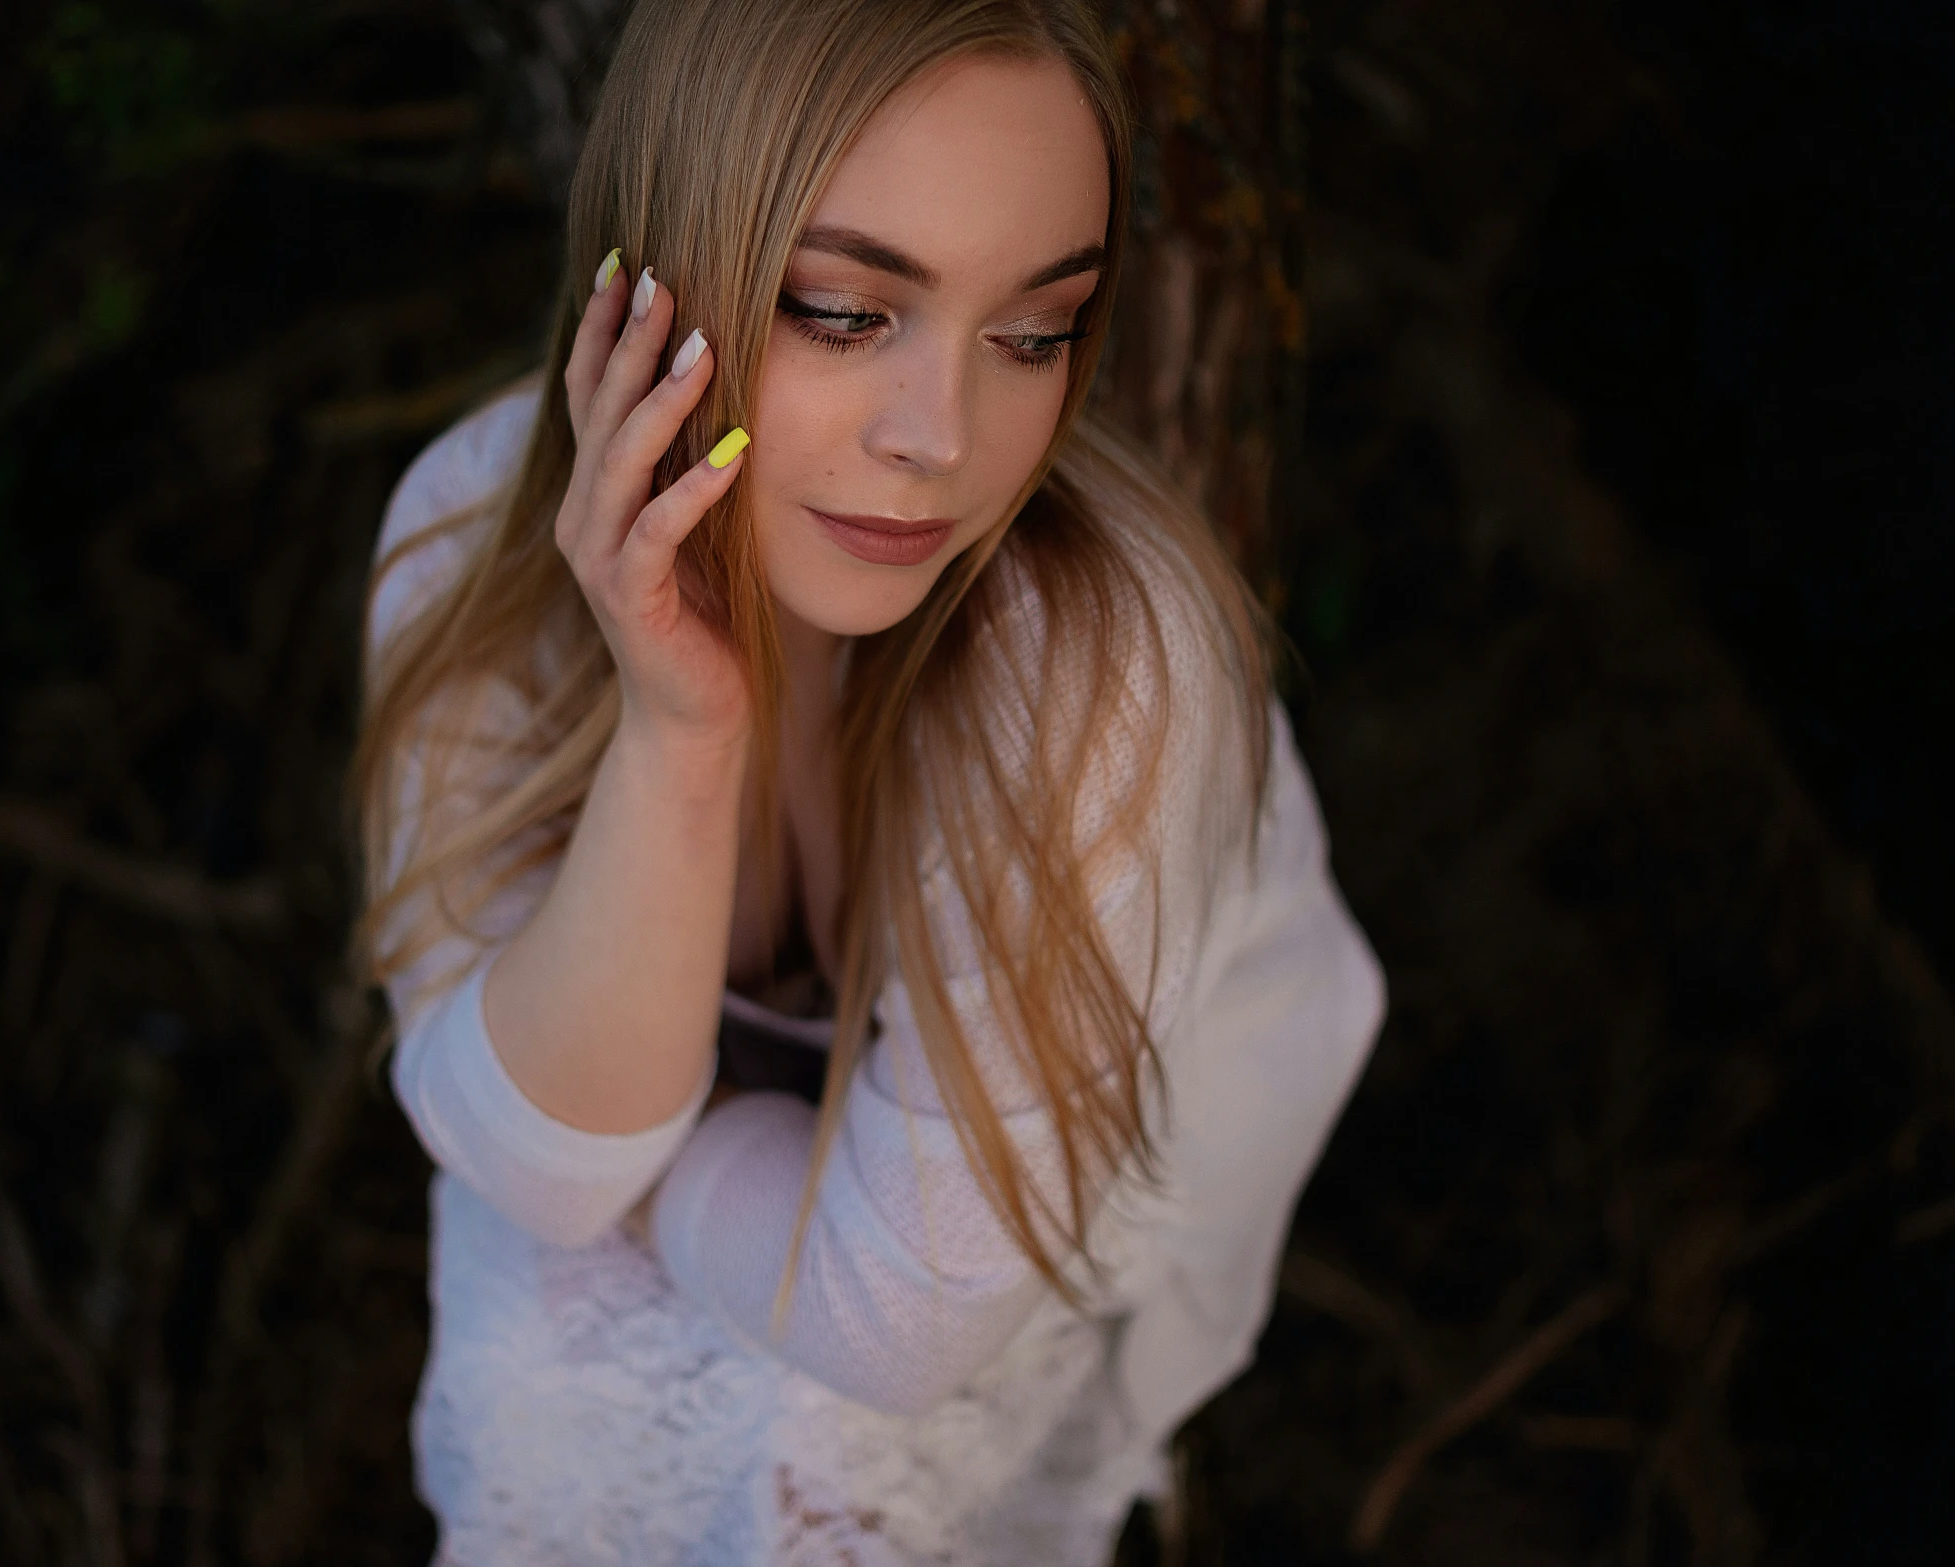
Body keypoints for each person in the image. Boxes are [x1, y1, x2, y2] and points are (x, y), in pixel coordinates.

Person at [352, 1, 1384, 1561]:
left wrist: (639, 1146)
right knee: (537, 1392)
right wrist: (679, 734)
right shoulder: (473, 536)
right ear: (655, 273)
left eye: (1033, 335)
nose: (943, 437)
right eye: (843, 311)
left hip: (1096, 1179)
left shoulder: (1105, 660)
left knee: (817, 1460)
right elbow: (536, 1178)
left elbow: (894, 1320)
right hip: (808, 1175)